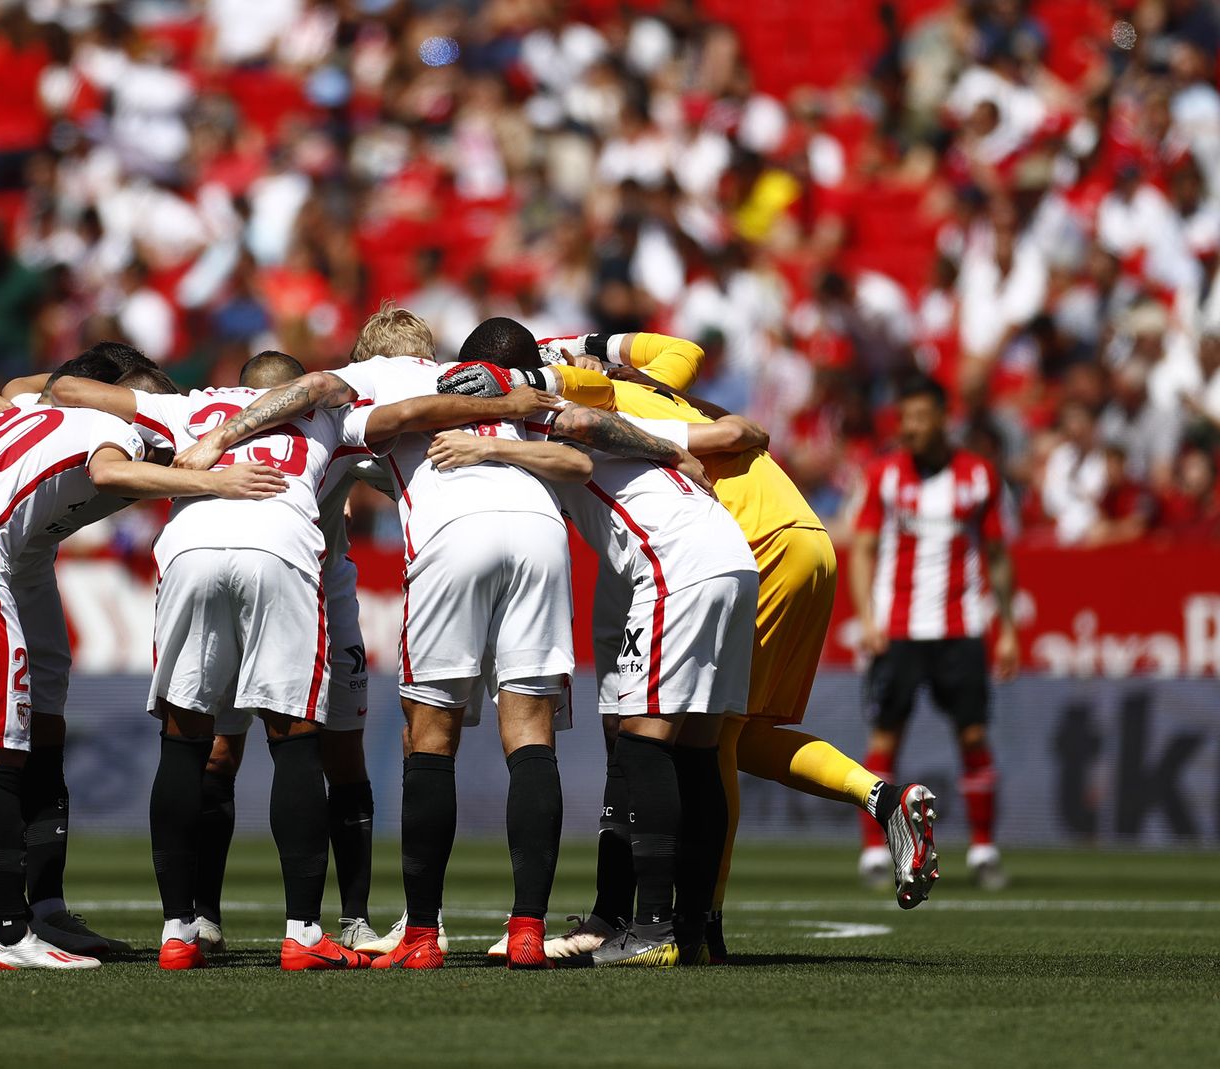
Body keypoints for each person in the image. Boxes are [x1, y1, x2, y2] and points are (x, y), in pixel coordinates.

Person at [444, 327, 939, 965]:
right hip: (778, 538)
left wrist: (547, 373)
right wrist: (597, 344)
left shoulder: (586, 395)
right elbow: (682, 357)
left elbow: (707, 431)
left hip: (731, 539)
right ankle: (866, 805)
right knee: (724, 734)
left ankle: (682, 925)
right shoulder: (651, 392)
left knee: (679, 738)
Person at [53, 350, 549, 971]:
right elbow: (415, 411)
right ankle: (304, 934)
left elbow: (67, 388)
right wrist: (507, 407)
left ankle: (179, 932)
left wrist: (17, 405)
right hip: (279, 551)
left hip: (189, 549)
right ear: (292, 394)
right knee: (294, 741)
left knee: (184, 740)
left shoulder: (185, 408)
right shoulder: (327, 416)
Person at [0, 375, 283, 971]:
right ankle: (11, 936)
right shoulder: (111, 427)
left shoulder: (8, 414)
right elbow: (111, 473)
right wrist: (216, 481)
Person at [431, 360, 760, 968]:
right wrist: (670, 449)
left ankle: (654, 931)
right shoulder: (627, 422)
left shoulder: (539, 415)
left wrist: (497, 441)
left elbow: (581, 427)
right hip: (730, 558)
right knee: (697, 750)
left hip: (676, 562)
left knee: (644, 743)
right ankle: (693, 931)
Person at [0, 342, 157, 957]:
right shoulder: (63, 407)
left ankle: (48, 905)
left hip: (29, 565)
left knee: (46, 724)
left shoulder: (161, 425)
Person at [183, 351, 386, 958]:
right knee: (230, 751)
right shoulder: (319, 425)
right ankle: (208, 916)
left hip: (321, 592)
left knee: (336, 752)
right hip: (261, 582)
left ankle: (352, 919)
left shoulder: (334, 429)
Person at [851, 373, 1019, 891]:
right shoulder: (885, 474)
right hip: (898, 628)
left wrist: (1006, 627)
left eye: (921, 418)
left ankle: (984, 849)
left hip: (960, 626)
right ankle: (876, 852)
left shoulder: (979, 476)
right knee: (885, 737)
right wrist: (868, 616)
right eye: (905, 419)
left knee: (972, 735)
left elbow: (996, 555)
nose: (911, 429)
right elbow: (861, 547)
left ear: (944, 419)